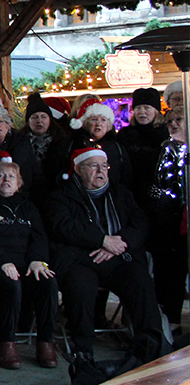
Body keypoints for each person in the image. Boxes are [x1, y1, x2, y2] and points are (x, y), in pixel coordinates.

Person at [45, 146, 164, 358]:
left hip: (118, 257)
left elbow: (141, 224)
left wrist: (121, 242)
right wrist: (102, 240)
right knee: (80, 286)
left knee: (140, 279)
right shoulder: (62, 196)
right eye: (93, 166)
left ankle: (151, 344)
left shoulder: (121, 194)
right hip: (81, 260)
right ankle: (83, 348)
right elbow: (63, 226)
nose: (100, 171)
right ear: (79, 169)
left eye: (104, 166)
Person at [0, 159, 59, 369]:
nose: (6, 180)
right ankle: (7, 344)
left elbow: (39, 237)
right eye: (1, 175)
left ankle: (46, 343)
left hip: (26, 264)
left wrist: (38, 260)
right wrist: (3, 261)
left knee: (48, 283)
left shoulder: (28, 207)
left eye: (11, 176)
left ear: (19, 183)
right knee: (11, 283)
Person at [149, 106, 187, 329]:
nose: (173, 124)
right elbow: (160, 182)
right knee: (171, 272)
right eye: (169, 121)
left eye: (178, 119)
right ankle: (171, 321)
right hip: (171, 218)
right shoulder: (166, 148)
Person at [118, 87, 169, 201]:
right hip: (130, 192)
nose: (142, 112)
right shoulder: (125, 134)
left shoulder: (165, 134)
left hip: (157, 194)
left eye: (147, 108)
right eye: (138, 108)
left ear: (156, 111)